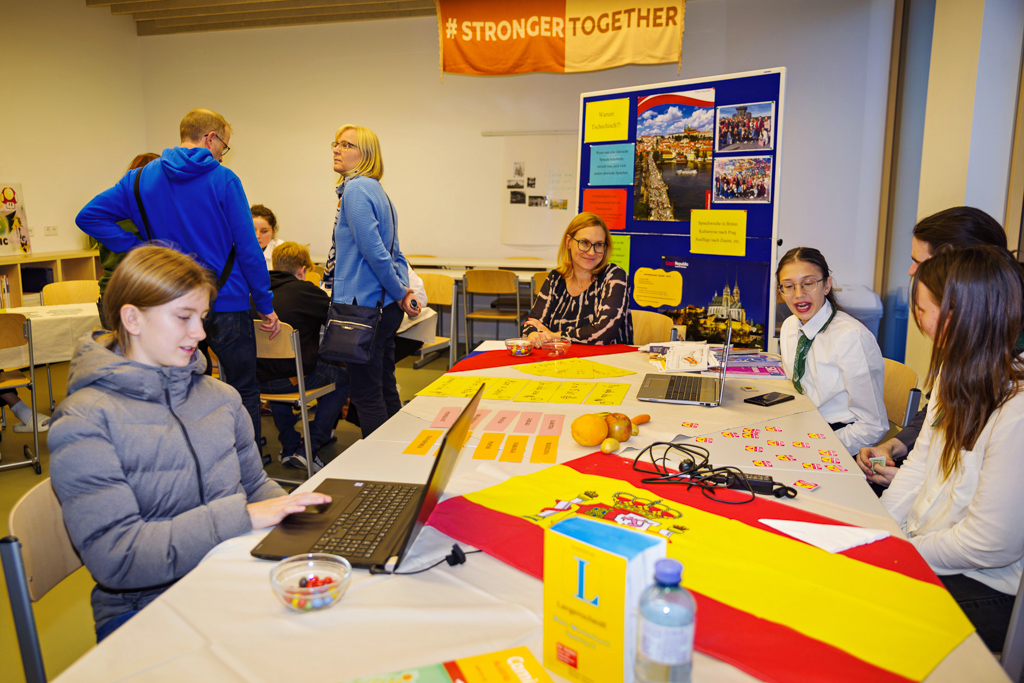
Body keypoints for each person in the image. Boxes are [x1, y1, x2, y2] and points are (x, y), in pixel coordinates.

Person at [48, 246, 329, 642]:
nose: (199, 333)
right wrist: (242, 517)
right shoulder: (86, 419)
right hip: (147, 607)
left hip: (231, 577)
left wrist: (303, 530)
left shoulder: (221, 398)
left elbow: (257, 487)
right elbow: (119, 558)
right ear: (132, 318)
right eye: (183, 317)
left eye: (202, 317)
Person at [75, 108, 279, 449]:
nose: (222, 154)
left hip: (174, 304)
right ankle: (246, 460)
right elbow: (247, 247)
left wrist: (142, 248)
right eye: (224, 145)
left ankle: (195, 457)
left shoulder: (139, 179)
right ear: (210, 138)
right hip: (227, 301)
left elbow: (88, 217)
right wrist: (264, 303)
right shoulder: (224, 180)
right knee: (243, 387)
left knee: (184, 386)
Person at [878, 246, 1024, 651]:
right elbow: (921, 464)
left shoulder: (1016, 409)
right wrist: (882, 531)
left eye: (923, 310)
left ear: (958, 315)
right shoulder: (954, 374)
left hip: (991, 587)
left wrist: (902, 551)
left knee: (868, 613)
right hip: (933, 549)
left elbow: (989, 544)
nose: (920, 320)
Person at [856, 206, 1009, 481]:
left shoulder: (1006, 365)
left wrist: (913, 484)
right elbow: (938, 411)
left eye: (920, 262)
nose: (911, 271)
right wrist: (894, 446)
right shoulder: (967, 333)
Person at [324, 124, 417, 438]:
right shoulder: (377, 190)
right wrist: (402, 292)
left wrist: (400, 291)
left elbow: (376, 253)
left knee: (365, 393)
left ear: (365, 154)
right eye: (336, 143)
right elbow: (394, 252)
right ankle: (396, 449)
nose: (336, 149)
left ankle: (381, 458)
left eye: (346, 145)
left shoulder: (356, 190)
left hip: (364, 309)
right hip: (383, 307)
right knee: (384, 385)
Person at [777, 247, 887, 454]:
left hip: (840, 436)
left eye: (808, 283)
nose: (799, 294)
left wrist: (818, 447)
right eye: (789, 286)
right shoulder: (790, 326)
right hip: (804, 424)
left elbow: (873, 426)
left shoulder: (851, 337)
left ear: (826, 285)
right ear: (781, 292)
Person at [258, 242, 348, 470]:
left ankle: (289, 446)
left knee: (280, 368)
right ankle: (310, 445)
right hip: (293, 379)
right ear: (301, 270)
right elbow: (334, 321)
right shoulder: (307, 292)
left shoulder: (256, 292)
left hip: (258, 380)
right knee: (344, 376)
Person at [522, 212, 632, 346]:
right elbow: (531, 324)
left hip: (609, 358)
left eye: (598, 244)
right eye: (585, 243)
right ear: (569, 242)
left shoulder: (615, 276)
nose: (591, 252)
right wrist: (534, 335)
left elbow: (604, 333)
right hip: (561, 357)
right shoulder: (555, 278)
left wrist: (554, 336)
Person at [92, 152, 160, 328]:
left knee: (115, 344)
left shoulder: (107, 210)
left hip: (110, 291)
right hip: (141, 291)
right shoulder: (149, 214)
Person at [252, 204, 284, 272]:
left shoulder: (282, 250)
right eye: (252, 230)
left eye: (264, 231)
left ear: (273, 232)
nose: (257, 236)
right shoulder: (236, 249)